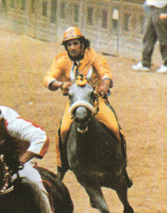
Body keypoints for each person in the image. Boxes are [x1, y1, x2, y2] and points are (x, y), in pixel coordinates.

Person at [42, 26, 124, 178]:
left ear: (82, 44)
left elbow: (105, 73)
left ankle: (121, 165)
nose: (72, 48)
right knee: (63, 130)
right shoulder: (63, 60)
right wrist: (61, 85)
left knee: (114, 127)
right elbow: (47, 78)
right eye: (69, 45)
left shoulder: (94, 57)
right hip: (75, 102)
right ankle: (61, 166)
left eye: (75, 44)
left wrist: (104, 85)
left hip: (96, 100)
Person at [132, 1, 167, 73]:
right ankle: (145, 62)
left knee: (163, 37)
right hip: (152, 6)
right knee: (148, 35)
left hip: (162, 7)